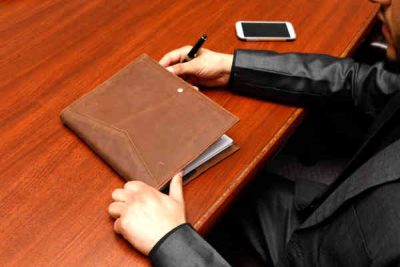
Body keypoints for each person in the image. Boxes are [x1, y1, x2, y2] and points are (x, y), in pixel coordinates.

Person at [108, 0, 400, 266]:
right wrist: (233, 67)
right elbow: (363, 84)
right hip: (331, 218)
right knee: (206, 185)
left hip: (314, 251)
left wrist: (172, 242)